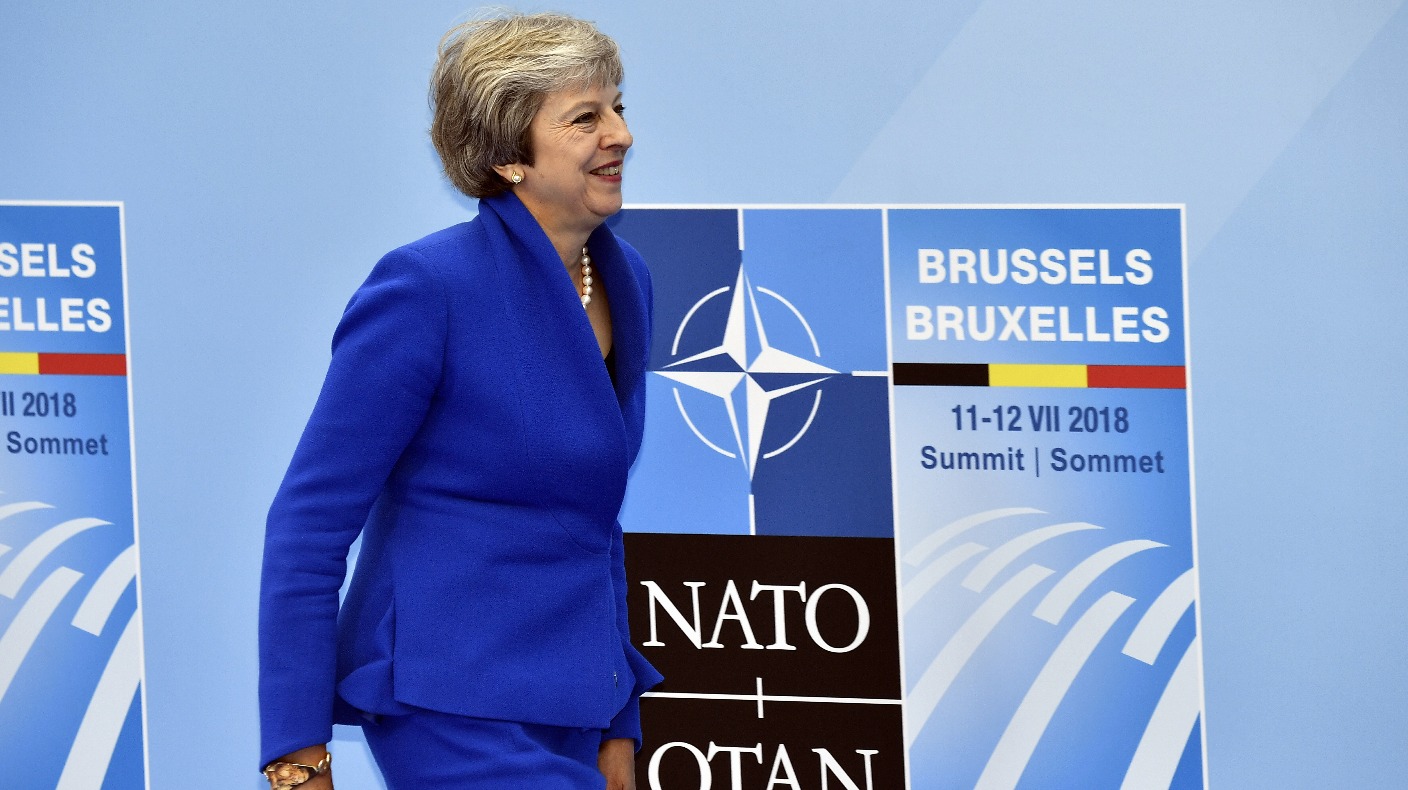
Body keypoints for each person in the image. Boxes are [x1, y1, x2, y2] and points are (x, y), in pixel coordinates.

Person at [257, 12, 661, 789]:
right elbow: (309, 524)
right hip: (447, 704)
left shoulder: (627, 278)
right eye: (585, 118)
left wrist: (619, 720)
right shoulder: (426, 288)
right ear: (509, 157)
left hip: (573, 704)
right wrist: (297, 755)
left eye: (618, 107)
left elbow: (594, 522)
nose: (621, 135)